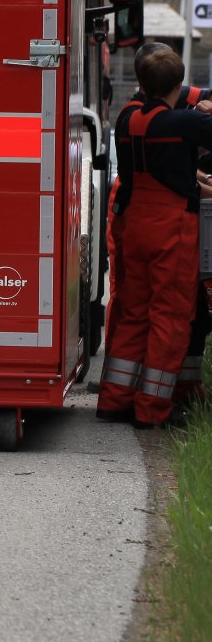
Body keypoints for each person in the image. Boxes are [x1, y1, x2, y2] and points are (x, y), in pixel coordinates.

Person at [99, 46, 212, 429]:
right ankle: (152, 408)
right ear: (178, 86)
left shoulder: (127, 118)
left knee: (133, 311)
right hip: (171, 229)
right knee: (170, 316)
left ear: (142, 83)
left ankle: (114, 399)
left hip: (134, 224)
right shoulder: (184, 122)